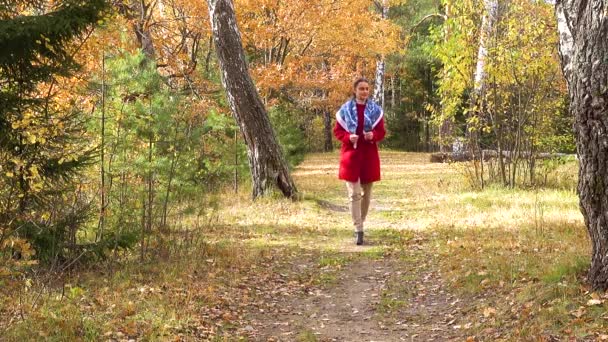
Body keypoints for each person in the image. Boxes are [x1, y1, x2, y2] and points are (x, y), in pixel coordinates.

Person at [333, 78, 386, 245]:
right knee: (354, 193)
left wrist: (374, 136)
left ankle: (361, 221)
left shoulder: (375, 111)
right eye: (361, 89)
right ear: (355, 90)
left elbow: (381, 131)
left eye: (367, 89)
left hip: (368, 156)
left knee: (366, 194)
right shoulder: (345, 110)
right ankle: (358, 229)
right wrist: (348, 137)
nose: (364, 91)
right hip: (351, 155)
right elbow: (338, 131)